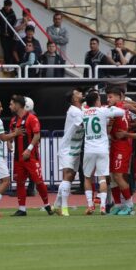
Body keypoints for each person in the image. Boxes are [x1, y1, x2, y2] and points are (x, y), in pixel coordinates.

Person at [80, 92, 125, 215]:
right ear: (96, 101)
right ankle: (103, 207)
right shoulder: (103, 111)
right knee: (102, 178)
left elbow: (79, 125)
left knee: (88, 177)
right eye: (99, 99)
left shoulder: (83, 112)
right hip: (102, 149)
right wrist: (110, 107)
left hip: (89, 149)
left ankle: (90, 205)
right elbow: (121, 112)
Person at [8, 95, 52, 216]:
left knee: (39, 182)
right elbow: (11, 134)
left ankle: (47, 205)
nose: (10, 106)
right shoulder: (13, 120)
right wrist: (9, 142)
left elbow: (37, 135)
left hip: (31, 157)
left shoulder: (32, 118)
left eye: (12, 104)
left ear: (18, 105)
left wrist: (28, 149)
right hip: (18, 158)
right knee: (20, 182)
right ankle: (22, 209)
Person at [50, 88, 84, 216]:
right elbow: (83, 124)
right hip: (68, 148)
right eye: (78, 93)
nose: (81, 94)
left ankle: (56, 206)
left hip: (75, 147)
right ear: (74, 99)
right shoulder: (75, 111)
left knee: (70, 176)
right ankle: (64, 208)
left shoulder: (79, 110)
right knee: (68, 175)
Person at [106, 87, 135, 215]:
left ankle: (129, 205)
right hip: (115, 144)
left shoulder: (115, 109)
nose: (108, 99)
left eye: (111, 96)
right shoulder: (123, 107)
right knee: (113, 176)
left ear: (119, 97)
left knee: (118, 176)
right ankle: (118, 204)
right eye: (107, 97)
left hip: (121, 146)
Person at [0, 0, 17, 64]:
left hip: (10, 36)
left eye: (9, 6)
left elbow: (14, 25)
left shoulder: (13, 15)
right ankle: (7, 65)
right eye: (6, 6)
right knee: (5, 50)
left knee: (11, 50)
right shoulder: (0, 12)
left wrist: (12, 33)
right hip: (3, 35)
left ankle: (10, 65)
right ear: (4, 5)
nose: (8, 7)